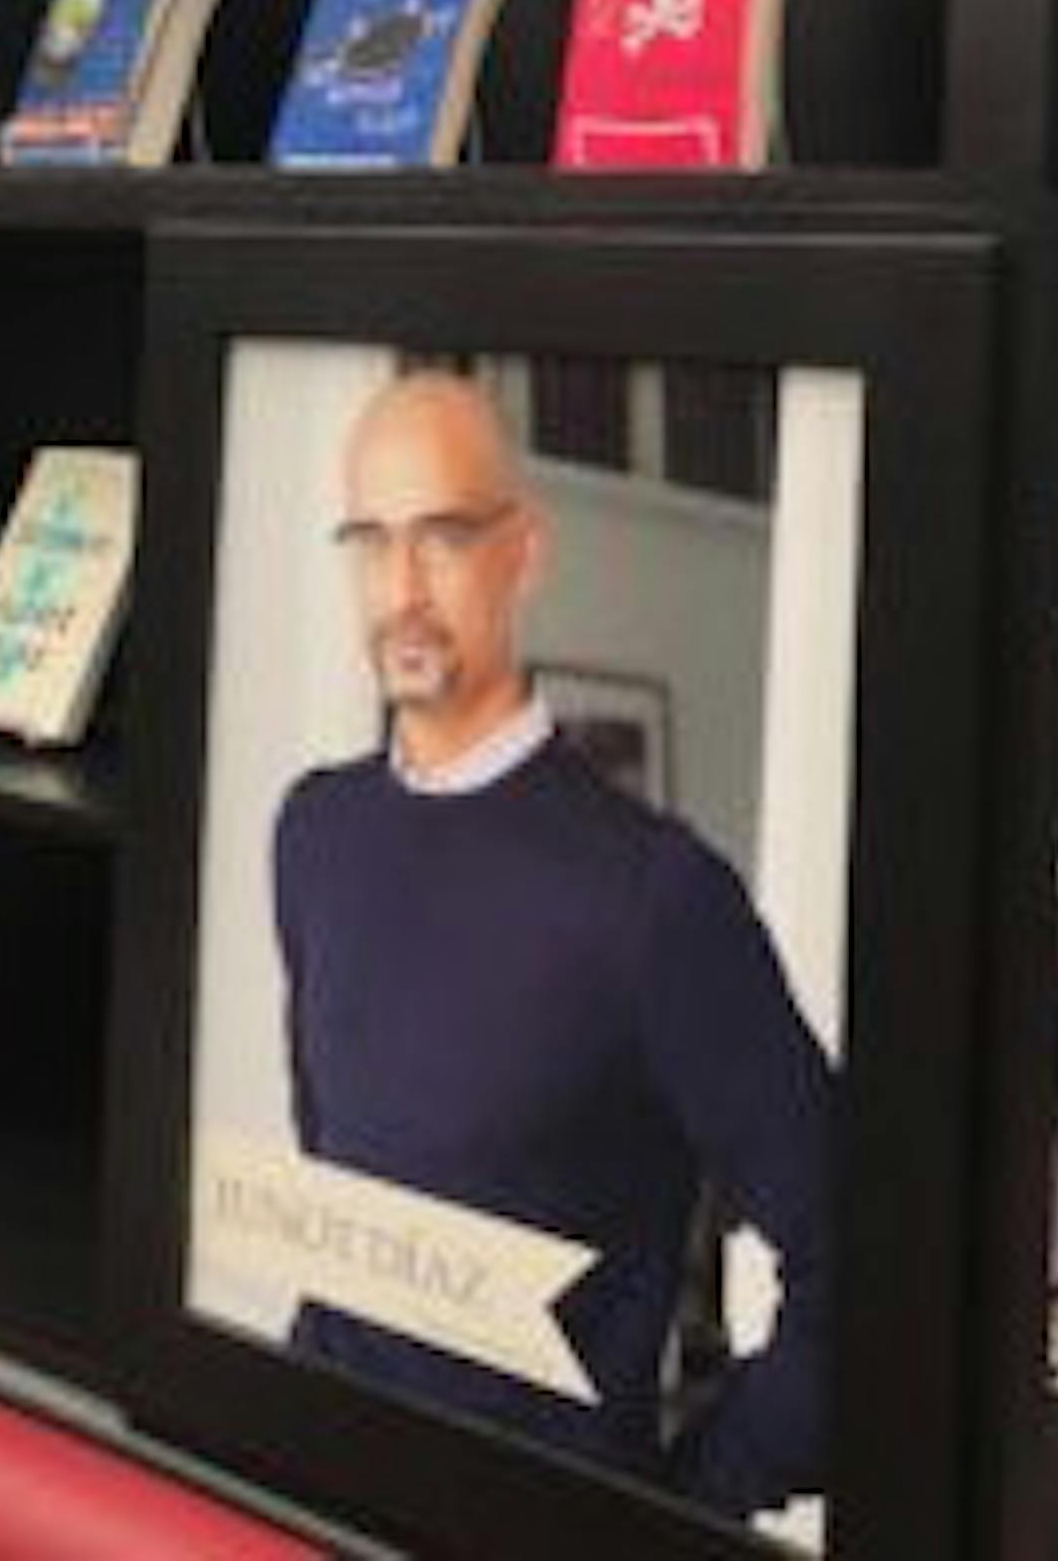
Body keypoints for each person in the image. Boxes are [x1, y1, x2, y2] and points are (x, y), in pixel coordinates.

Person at [271, 370, 833, 1521]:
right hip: (307, 1494)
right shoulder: (313, 830)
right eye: (371, 543)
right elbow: (336, 1170)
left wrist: (688, 1502)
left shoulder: (656, 898)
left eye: (442, 538)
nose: (402, 590)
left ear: (521, 553)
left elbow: (868, 1265)